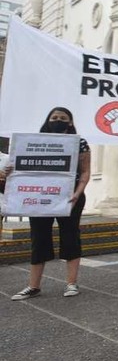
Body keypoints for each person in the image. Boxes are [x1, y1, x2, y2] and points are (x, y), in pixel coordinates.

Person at [5, 107, 90, 300]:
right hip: (39, 196)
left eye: (63, 117)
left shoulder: (79, 143)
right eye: (54, 117)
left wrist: (78, 193)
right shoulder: (33, 142)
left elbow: (85, 171)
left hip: (70, 196)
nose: (58, 120)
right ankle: (33, 286)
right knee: (39, 237)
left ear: (70, 122)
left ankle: (71, 283)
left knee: (70, 236)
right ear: (48, 120)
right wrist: (9, 170)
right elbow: (20, 168)